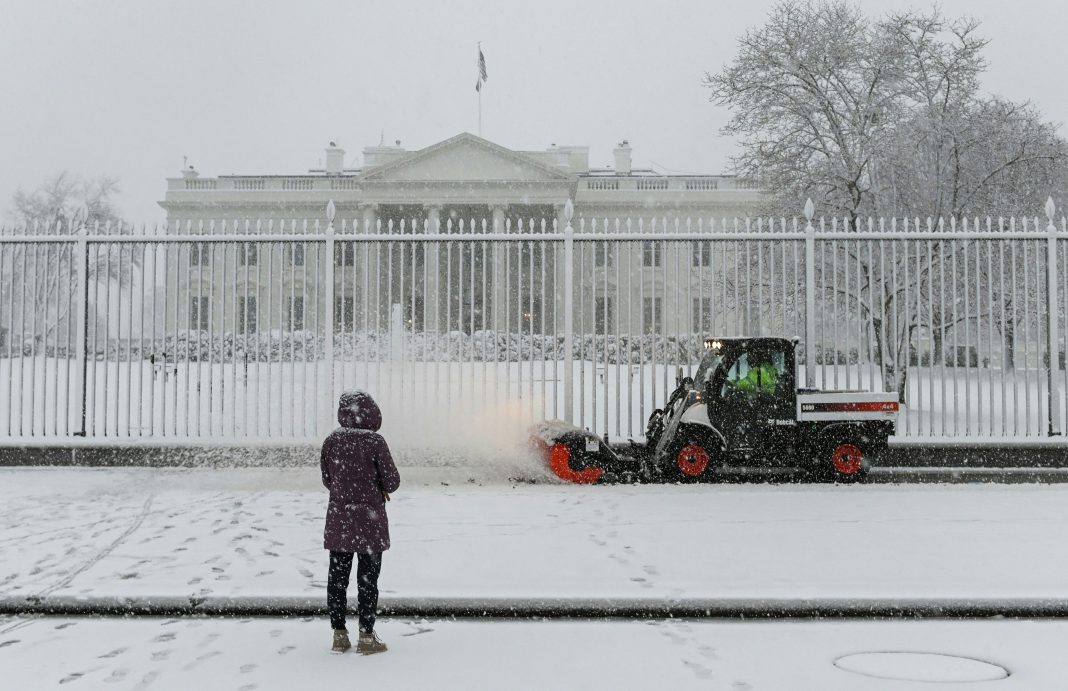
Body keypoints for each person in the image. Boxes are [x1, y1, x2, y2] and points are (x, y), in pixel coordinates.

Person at [321, 390, 401, 655]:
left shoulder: (332, 441)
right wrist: (374, 486)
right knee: (368, 580)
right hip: (370, 521)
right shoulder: (375, 442)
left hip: (340, 520)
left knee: (337, 579)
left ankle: (339, 635)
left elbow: (327, 479)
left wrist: (346, 489)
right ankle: (367, 637)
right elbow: (392, 482)